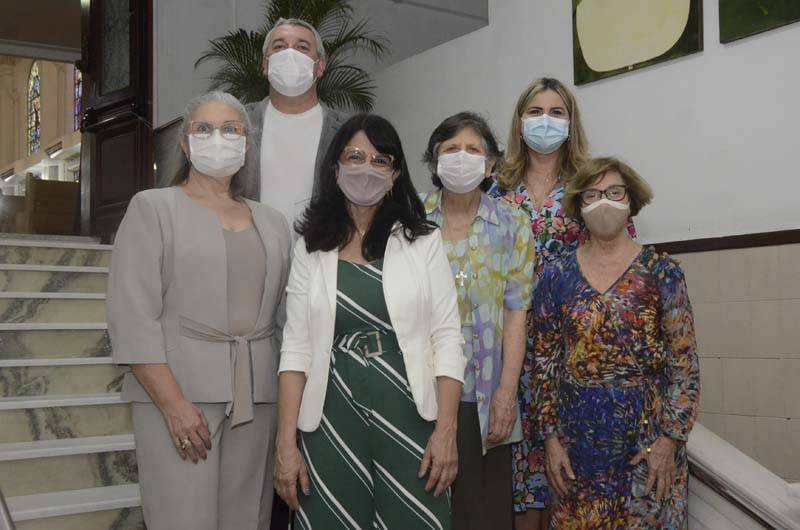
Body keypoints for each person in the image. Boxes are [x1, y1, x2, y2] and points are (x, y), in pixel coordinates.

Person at [107, 91, 292, 529]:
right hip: (179, 394)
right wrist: (172, 403)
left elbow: (286, 316)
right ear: (185, 143)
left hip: (258, 396)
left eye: (231, 129)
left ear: (246, 143)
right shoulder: (153, 208)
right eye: (204, 129)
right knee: (182, 518)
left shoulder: (273, 221)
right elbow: (133, 316)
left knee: (248, 518)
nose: (218, 138)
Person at [274, 114, 465, 529]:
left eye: (380, 160)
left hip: (409, 411)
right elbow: (296, 349)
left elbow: (448, 338)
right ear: (335, 168)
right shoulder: (310, 247)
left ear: (395, 175)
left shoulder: (423, 241)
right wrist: (285, 443)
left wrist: (446, 431)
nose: (366, 168)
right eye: (355, 157)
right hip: (330, 414)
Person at [487, 77, 636, 529]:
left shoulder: (589, 185)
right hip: (509, 351)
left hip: (576, 352)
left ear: (571, 123)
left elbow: (622, 253)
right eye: (535, 111)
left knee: (570, 476)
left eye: (556, 112)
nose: (545, 121)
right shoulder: (495, 188)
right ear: (519, 122)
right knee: (521, 477)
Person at [533, 157, 700, 527]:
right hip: (576, 452)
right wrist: (550, 440)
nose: (603, 202)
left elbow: (684, 366)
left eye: (614, 192)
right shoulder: (555, 277)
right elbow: (543, 364)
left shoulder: (662, 273)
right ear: (578, 205)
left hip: (649, 450)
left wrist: (669, 441)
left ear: (631, 200)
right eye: (591, 195)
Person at [420, 112, 534, 529]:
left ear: (490, 166)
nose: (461, 157)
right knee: (427, 510)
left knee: (482, 514)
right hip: (422, 394)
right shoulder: (410, 221)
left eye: (473, 150)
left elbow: (516, 314)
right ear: (435, 162)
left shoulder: (512, 224)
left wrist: (507, 391)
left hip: (486, 397)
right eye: (451, 149)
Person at [240, 17, 349, 226]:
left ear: (320, 66)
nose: (289, 54)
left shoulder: (346, 131)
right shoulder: (238, 123)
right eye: (279, 47)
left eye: (302, 47)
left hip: (321, 243)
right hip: (253, 244)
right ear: (265, 64)